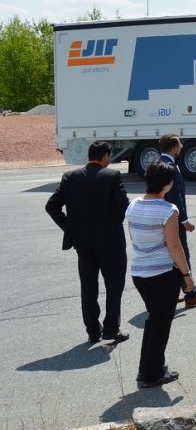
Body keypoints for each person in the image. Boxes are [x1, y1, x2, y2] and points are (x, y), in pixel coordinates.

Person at [45, 141, 130, 345]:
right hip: (111, 242)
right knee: (114, 287)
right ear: (105, 157)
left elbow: (52, 206)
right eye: (110, 156)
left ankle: (93, 331)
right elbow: (125, 207)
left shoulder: (70, 177)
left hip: (83, 243)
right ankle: (111, 329)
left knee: (89, 288)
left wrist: (70, 228)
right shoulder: (112, 176)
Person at [126, 161, 196, 388]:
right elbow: (174, 245)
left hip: (139, 271)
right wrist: (187, 275)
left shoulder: (133, 205)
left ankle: (149, 368)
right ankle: (151, 374)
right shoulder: (169, 209)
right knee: (161, 324)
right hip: (163, 273)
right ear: (167, 184)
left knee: (154, 320)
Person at [160, 135, 196, 308]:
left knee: (168, 255)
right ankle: (191, 294)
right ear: (174, 148)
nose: (182, 146)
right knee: (181, 253)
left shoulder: (157, 164)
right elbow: (176, 196)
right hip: (173, 218)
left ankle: (170, 292)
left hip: (161, 217)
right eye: (180, 144)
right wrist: (184, 220)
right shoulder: (170, 167)